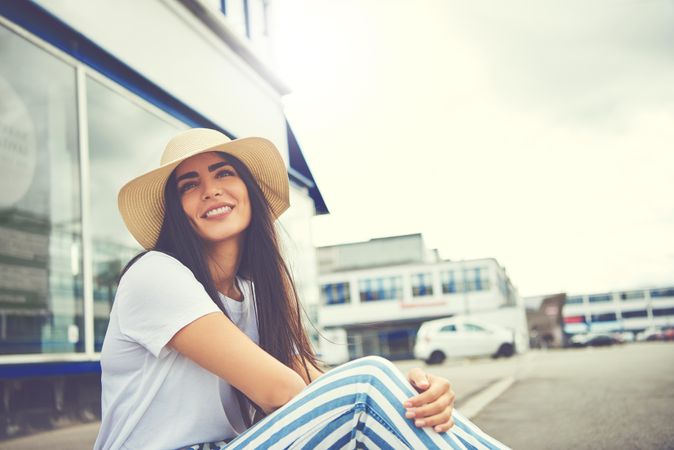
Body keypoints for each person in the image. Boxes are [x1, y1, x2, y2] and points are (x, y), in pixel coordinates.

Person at [94, 128, 511, 450]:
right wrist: (374, 388)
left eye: (224, 173)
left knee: (385, 389)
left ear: (249, 192)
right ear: (177, 211)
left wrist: (413, 395)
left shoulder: (257, 294)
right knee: (368, 382)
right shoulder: (156, 275)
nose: (211, 190)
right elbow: (282, 391)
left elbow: (307, 377)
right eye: (189, 184)